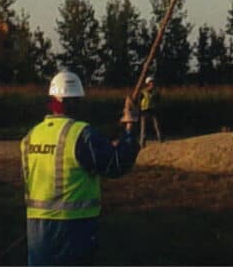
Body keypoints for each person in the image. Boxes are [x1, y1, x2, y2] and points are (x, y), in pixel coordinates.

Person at [21, 70, 139, 266]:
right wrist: (130, 126)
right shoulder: (81, 134)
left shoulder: (31, 136)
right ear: (74, 102)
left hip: (37, 231)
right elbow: (117, 164)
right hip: (74, 230)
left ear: (53, 100)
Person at [139, 76, 162, 145]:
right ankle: (142, 142)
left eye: (153, 82)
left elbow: (158, 100)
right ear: (148, 83)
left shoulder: (155, 92)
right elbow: (139, 101)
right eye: (151, 82)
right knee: (143, 128)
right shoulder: (143, 92)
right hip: (144, 111)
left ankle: (160, 139)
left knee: (157, 125)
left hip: (153, 110)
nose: (152, 83)